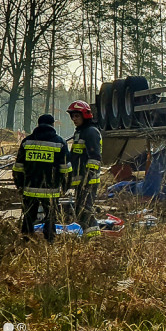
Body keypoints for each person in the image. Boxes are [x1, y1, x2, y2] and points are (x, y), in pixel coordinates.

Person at [13, 114, 72, 243]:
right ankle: (50, 241)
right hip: (51, 190)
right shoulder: (60, 143)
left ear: (38, 124)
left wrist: (20, 185)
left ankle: (25, 241)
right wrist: (65, 187)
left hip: (29, 189)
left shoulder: (27, 142)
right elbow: (66, 169)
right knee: (51, 216)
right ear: (52, 125)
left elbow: (18, 168)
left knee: (28, 217)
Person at [67, 101, 103, 236]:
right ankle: (86, 236)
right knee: (79, 210)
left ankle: (94, 238)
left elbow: (94, 158)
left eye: (77, 116)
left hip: (88, 181)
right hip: (80, 181)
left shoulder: (91, 132)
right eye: (73, 117)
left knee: (86, 210)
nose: (74, 119)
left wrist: (87, 178)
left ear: (85, 115)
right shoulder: (80, 132)